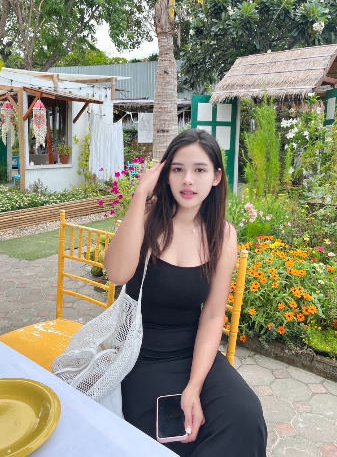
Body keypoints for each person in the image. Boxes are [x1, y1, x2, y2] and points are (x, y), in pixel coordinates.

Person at [104, 129, 267, 456]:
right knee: (174, 442)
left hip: (193, 352)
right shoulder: (147, 218)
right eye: (177, 169)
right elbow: (116, 274)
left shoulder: (223, 235)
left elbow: (213, 316)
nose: (187, 180)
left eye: (199, 169)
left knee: (245, 418)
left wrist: (194, 387)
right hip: (139, 354)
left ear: (216, 177)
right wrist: (140, 195)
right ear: (165, 174)